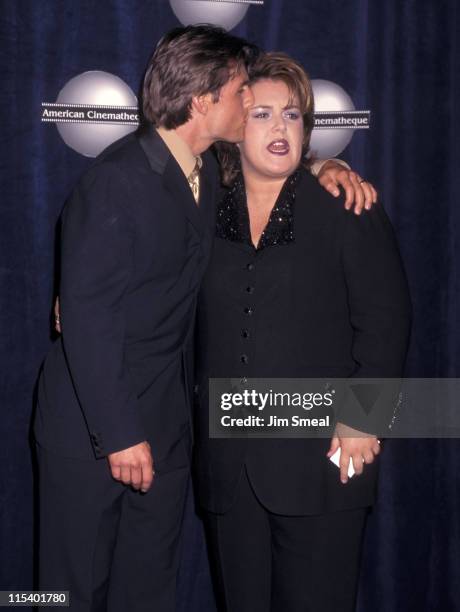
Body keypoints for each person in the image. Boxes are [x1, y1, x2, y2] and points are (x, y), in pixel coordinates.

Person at [38, 26, 377, 612]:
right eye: (245, 91)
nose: (253, 106)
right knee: (63, 594)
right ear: (203, 100)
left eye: (281, 111)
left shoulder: (204, 178)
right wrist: (119, 433)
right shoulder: (116, 179)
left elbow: (274, 176)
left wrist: (324, 169)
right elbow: (88, 318)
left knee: (146, 591)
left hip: (166, 433)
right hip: (94, 431)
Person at [193, 52, 412, 612]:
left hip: (324, 462)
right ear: (236, 126)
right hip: (230, 471)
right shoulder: (203, 209)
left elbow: (387, 322)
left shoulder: (345, 207)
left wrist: (364, 417)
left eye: (292, 115)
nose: (280, 128)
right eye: (262, 114)